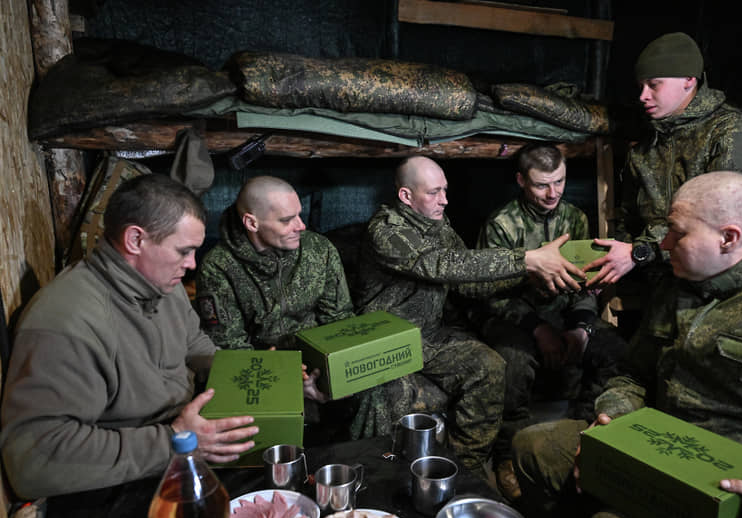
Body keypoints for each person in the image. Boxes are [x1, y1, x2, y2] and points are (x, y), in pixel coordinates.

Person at [512, 171, 742, 518]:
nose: (666, 244)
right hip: (654, 446)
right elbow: (633, 374)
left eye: (678, 233)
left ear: (728, 238)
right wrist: (613, 418)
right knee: (534, 447)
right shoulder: (678, 284)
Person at [0, 174, 258, 499]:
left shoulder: (162, 284)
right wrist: (174, 440)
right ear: (136, 240)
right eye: (183, 251)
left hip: (178, 448)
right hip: (118, 485)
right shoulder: (67, 322)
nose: (192, 264)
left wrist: (263, 374)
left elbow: (194, 343)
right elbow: (33, 460)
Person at [353, 155, 585, 473]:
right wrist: (527, 260)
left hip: (428, 336)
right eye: (434, 192)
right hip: (387, 341)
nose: (444, 200)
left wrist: (536, 275)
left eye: (445, 190)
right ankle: (383, 474)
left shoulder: (438, 224)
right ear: (406, 196)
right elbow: (442, 265)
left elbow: (468, 282)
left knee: (489, 367)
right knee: (388, 401)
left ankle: (466, 471)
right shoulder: (386, 231)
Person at [474, 143, 624, 500]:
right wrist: (538, 330)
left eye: (559, 182)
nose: (552, 193)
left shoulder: (575, 218)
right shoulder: (501, 225)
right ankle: (507, 456)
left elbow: (585, 284)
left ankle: (584, 441)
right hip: (513, 316)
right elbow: (490, 296)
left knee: (614, 351)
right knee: (512, 360)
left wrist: (581, 325)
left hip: (563, 314)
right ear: (521, 181)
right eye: (542, 185)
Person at [585, 32, 742, 289]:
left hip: (720, 277)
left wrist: (639, 252)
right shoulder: (648, 141)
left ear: (689, 80)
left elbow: (723, 217)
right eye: (641, 87)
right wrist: (616, 261)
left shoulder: (730, 132)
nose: (643, 96)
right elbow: (629, 216)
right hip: (661, 272)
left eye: (654, 84)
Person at [194, 176, 355, 408]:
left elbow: (339, 319)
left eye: (299, 214)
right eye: (287, 220)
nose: (301, 226)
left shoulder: (319, 249)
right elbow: (230, 348)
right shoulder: (218, 268)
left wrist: (336, 373)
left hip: (320, 364)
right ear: (252, 223)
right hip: (261, 371)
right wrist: (286, 380)